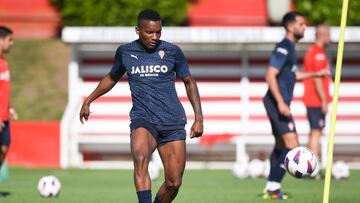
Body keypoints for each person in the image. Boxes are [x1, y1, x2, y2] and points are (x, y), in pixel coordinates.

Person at [79, 9, 203, 203]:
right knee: (140, 157)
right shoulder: (125, 52)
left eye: (158, 32)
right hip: (143, 120)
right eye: (149, 32)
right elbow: (112, 77)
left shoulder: (172, 52)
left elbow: (189, 81)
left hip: (172, 122)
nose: (154, 37)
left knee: (174, 183)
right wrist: (89, 100)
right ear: (137, 30)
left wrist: (199, 118)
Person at [262, 12, 328, 200]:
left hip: (276, 103)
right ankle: (274, 189)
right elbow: (270, 75)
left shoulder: (290, 47)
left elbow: (293, 75)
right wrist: (281, 102)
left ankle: (271, 188)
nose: (304, 27)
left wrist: (316, 74)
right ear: (290, 27)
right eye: (301, 24)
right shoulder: (284, 47)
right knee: (293, 145)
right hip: (276, 103)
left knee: (281, 145)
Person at [303, 24, 332, 174]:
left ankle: (307, 166)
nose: (331, 38)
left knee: (314, 132)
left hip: (312, 100)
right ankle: (313, 168)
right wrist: (324, 100)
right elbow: (317, 79)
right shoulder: (318, 53)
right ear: (322, 35)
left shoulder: (312, 52)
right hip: (315, 100)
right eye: (329, 34)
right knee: (316, 133)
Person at [0, 26, 18, 183]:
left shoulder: (4, 63)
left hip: (4, 117)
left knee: (4, 147)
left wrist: (9, 107)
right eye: (9, 40)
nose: (12, 43)